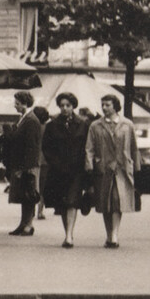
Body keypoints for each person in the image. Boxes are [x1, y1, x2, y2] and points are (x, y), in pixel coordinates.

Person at [85, 90, 139, 249]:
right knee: (104, 203)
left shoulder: (127, 124)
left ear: (115, 106)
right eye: (102, 104)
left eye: (108, 105)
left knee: (117, 200)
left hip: (122, 168)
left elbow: (134, 146)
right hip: (103, 167)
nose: (104, 107)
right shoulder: (95, 125)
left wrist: (136, 166)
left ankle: (114, 234)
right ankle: (109, 234)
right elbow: (89, 147)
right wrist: (89, 164)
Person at [39, 90, 90, 247]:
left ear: (73, 106)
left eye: (68, 105)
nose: (65, 108)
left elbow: (87, 146)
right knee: (62, 202)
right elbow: (46, 148)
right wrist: (56, 163)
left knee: (72, 201)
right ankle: (67, 232)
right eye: (62, 105)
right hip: (58, 170)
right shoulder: (52, 125)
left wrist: (83, 164)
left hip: (76, 170)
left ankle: (69, 236)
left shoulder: (83, 124)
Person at [1, 88, 44, 236]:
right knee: (24, 195)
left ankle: (28, 225)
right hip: (23, 163)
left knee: (29, 194)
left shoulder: (31, 120)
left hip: (27, 165)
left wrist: (25, 167)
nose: (15, 106)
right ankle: (23, 223)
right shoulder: (25, 118)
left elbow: (31, 145)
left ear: (25, 104)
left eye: (17, 103)